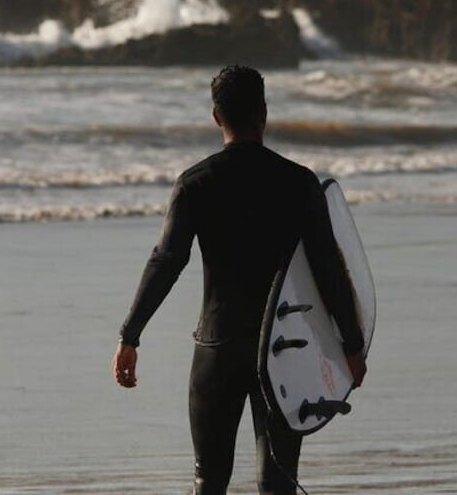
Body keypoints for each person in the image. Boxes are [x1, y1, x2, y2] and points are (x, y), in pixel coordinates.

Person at [112, 65, 367, 495]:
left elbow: (166, 261)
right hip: (283, 351)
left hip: (217, 349)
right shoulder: (299, 183)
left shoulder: (195, 183)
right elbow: (328, 269)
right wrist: (352, 345)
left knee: (208, 481)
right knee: (278, 482)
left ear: (216, 118)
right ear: (263, 114)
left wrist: (130, 335)